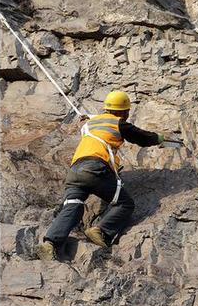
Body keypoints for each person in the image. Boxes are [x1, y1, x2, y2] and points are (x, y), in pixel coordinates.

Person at [36, 91, 168, 260]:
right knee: (125, 204)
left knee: (73, 207)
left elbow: (98, 121)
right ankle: (101, 230)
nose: (127, 115)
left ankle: (50, 243)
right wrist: (159, 138)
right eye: (127, 111)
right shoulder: (118, 123)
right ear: (123, 111)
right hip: (95, 169)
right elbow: (141, 137)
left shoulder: (91, 123)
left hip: (75, 171)